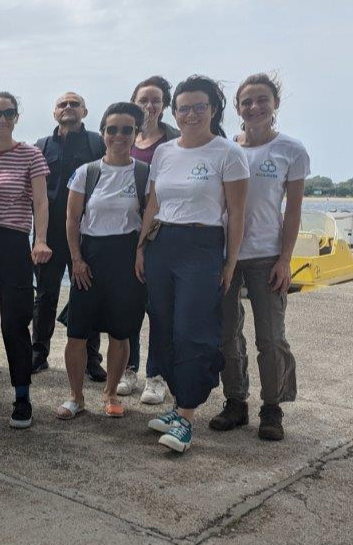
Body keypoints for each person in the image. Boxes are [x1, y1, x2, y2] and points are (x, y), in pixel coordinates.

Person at [137, 75, 249, 454]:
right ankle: (176, 403)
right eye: (183, 108)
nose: (191, 114)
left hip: (202, 245)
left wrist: (230, 261)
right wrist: (140, 249)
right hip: (162, 243)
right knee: (164, 327)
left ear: (213, 109)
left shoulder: (228, 153)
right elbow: (153, 204)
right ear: (174, 112)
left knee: (193, 330)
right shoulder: (165, 152)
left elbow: (236, 214)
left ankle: (186, 416)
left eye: (199, 107)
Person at [211, 73, 308, 442]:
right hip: (225, 254)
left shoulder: (291, 151)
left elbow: (294, 211)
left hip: (266, 255)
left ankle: (272, 407)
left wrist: (285, 259)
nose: (254, 107)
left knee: (270, 337)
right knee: (226, 334)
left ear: (275, 104)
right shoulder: (223, 147)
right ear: (237, 108)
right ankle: (236, 401)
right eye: (247, 101)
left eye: (262, 100)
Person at [56, 102, 149, 421]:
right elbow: (71, 220)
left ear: (137, 133)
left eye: (127, 130)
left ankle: (110, 393)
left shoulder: (144, 174)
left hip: (126, 260)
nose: (119, 135)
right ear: (103, 133)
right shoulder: (88, 172)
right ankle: (76, 396)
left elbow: (151, 219)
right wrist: (77, 259)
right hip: (90, 258)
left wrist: (141, 253)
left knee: (121, 333)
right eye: (112, 129)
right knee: (77, 333)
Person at [0, 92, 51, 428]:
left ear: (17, 117)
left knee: (14, 321)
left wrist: (40, 239)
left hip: (14, 242)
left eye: (9, 113)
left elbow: (41, 203)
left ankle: (22, 395)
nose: (2, 119)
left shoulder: (30, 155)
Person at [32, 92, 107, 381]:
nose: (68, 108)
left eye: (74, 104)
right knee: (46, 295)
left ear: (85, 111)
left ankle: (91, 358)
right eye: (63, 104)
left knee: (88, 293)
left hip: (87, 232)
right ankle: (38, 353)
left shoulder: (98, 144)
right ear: (54, 113)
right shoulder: (41, 147)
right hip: (49, 234)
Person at [121, 76, 180, 402]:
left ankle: (156, 376)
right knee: (128, 306)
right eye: (143, 99)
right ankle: (128, 369)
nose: (149, 106)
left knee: (159, 309)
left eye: (156, 100)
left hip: (161, 234)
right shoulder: (122, 137)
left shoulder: (174, 140)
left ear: (164, 105)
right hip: (125, 234)